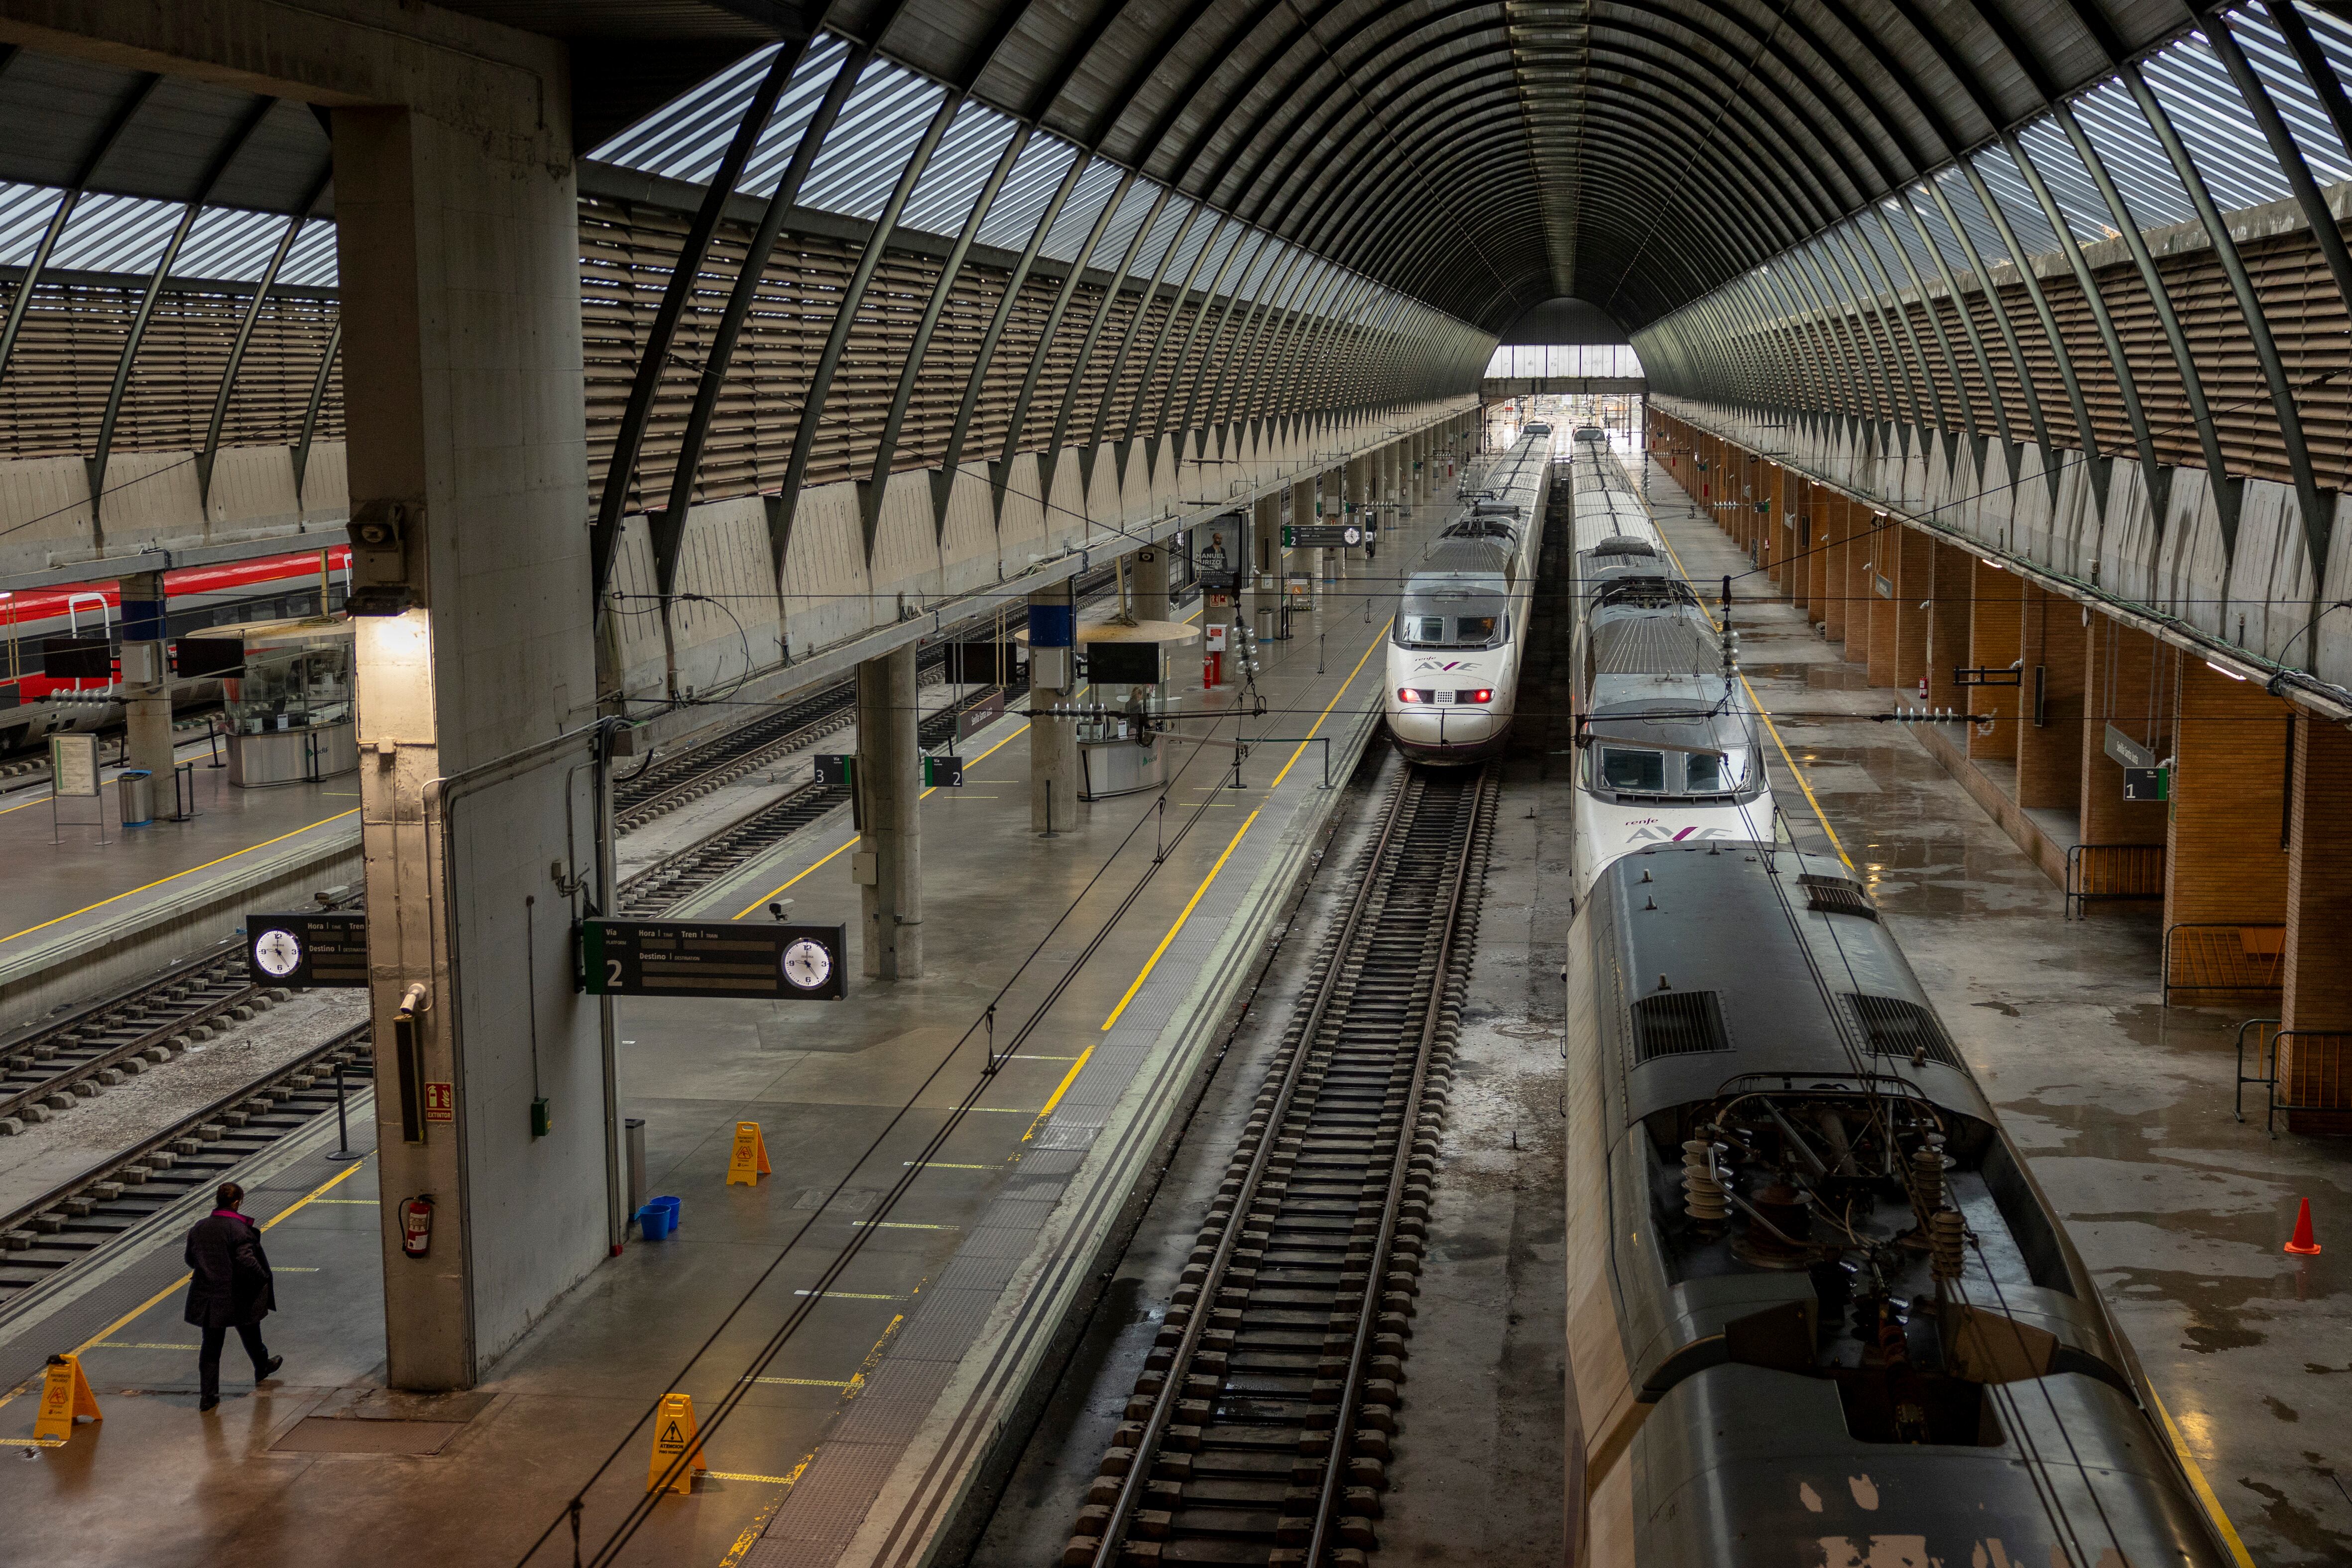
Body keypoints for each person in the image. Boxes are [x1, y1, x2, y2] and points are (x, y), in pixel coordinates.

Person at [184, 1181, 281, 1411]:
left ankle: (208, 1396)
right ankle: (262, 1366)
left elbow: (190, 1260)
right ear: (237, 1203)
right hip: (237, 1296)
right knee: (250, 1333)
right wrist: (263, 1277)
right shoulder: (239, 1229)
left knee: (210, 1347)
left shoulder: (199, 1227)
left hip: (209, 1297)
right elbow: (246, 1260)